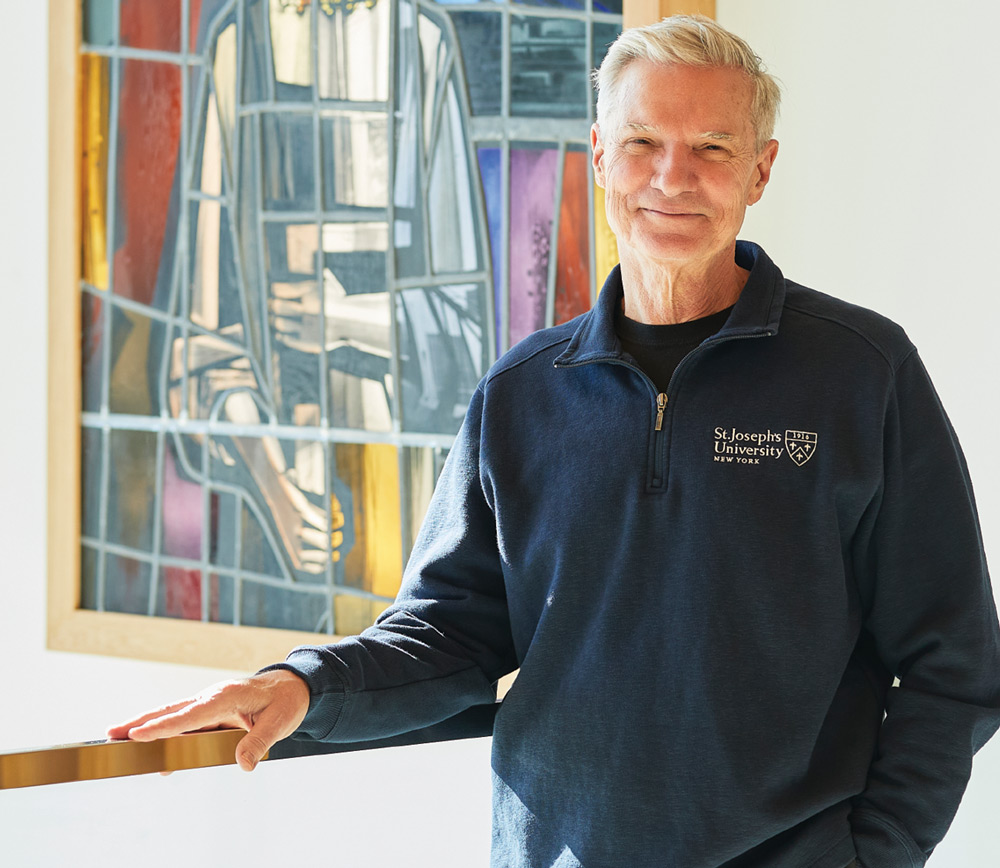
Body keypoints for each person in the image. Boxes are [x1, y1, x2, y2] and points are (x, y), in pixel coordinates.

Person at [108, 15, 1000, 868]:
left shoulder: (862, 373)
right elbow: (449, 633)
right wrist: (301, 685)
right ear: (600, 154)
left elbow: (954, 662)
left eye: (712, 148)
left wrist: (878, 853)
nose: (672, 177)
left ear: (761, 170)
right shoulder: (522, 393)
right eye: (643, 142)